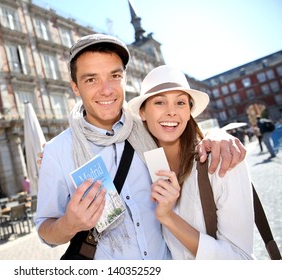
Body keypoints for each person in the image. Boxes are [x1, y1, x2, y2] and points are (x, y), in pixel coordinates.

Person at [35, 33, 246, 260]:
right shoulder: (57, 151)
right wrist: (68, 224)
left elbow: (182, 132)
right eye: (91, 79)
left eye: (114, 76)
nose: (106, 90)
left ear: (125, 79)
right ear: (75, 87)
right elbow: (45, 230)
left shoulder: (149, 131)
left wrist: (217, 136)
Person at [128, 65, 254, 259]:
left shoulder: (221, 160)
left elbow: (241, 260)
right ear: (143, 113)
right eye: (160, 102)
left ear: (189, 111)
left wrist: (167, 217)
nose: (171, 112)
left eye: (180, 103)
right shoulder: (142, 169)